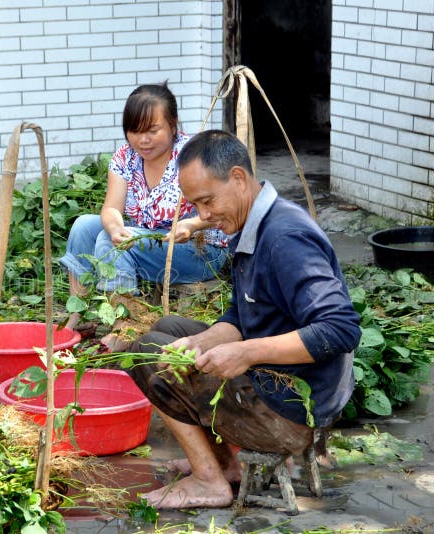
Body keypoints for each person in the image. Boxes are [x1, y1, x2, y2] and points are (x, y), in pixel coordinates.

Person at [127, 130, 361, 509]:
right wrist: (205, 342)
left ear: (238, 178)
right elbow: (242, 312)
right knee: (170, 334)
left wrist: (246, 353)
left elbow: (341, 329)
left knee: (146, 354)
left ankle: (208, 482)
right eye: (195, 206)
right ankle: (223, 463)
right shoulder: (250, 220)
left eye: (207, 201)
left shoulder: (285, 237)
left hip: (294, 411)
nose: (203, 216)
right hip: (277, 384)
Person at [58, 82, 228, 350]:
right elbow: (112, 208)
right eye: (134, 131)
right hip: (148, 239)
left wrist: (193, 224)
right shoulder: (126, 158)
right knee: (84, 227)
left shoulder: (193, 155)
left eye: (152, 130)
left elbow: (223, 207)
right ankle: (75, 317)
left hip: (198, 248)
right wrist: (115, 227)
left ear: (173, 124)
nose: (143, 140)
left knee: (109, 243)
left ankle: (126, 326)